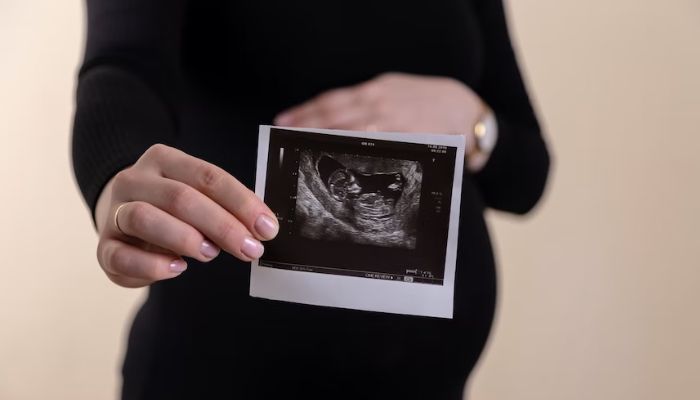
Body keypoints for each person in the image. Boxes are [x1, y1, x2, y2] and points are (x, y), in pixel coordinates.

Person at [72, 0, 550, 399]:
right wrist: (117, 175)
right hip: (221, 370)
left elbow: (527, 178)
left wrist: (473, 120)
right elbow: (123, 67)